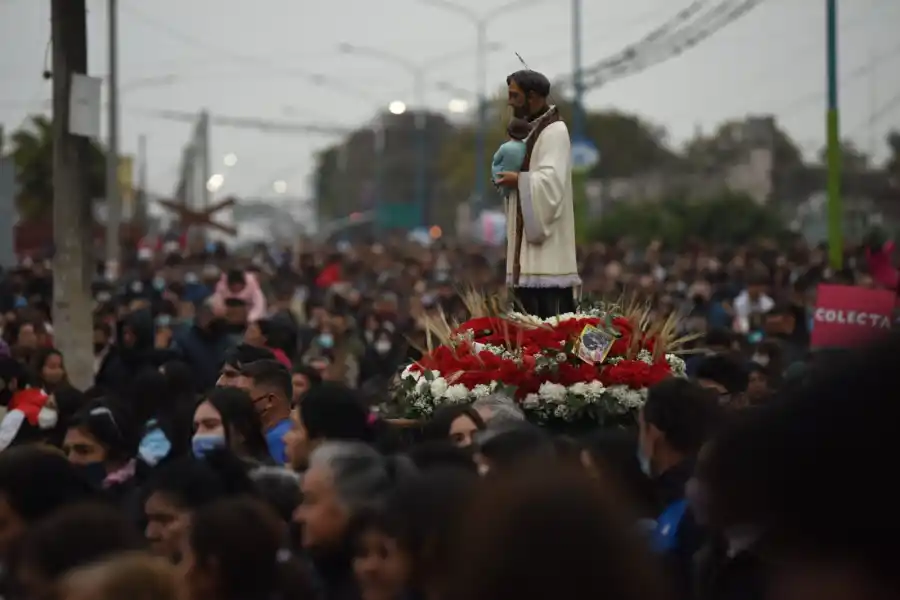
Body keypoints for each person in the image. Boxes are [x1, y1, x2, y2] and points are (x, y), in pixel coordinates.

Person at [495, 70, 579, 318]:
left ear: (532, 97)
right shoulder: (530, 128)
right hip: (525, 250)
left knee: (553, 322)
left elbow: (552, 182)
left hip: (548, 250)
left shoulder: (555, 131)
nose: (510, 101)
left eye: (514, 95)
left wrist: (518, 179)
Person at [241, 360, 294, 464]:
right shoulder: (293, 430)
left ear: (270, 400)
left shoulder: (277, 441)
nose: (238, 399)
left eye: (244, 393)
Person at [491, 118, 530, 197]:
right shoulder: (527, 147)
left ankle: (497, 181)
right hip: (523, 178)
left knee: (495, 165)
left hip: (507, 177)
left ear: (509, 133)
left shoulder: (504, 147)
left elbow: (496, 159)